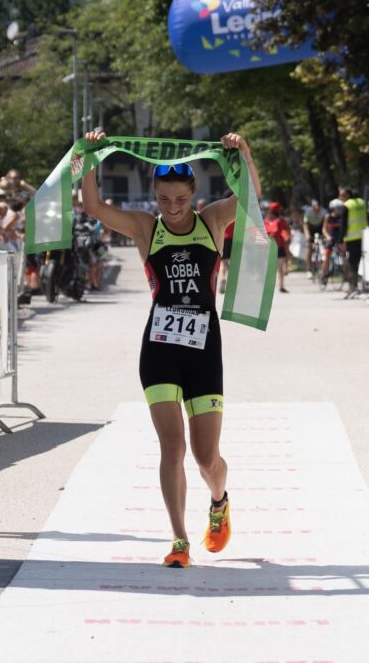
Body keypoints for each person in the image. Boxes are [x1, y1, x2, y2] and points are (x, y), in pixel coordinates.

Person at [80, 129, 260, 568]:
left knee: (205, 456)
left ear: (193, 195)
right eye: (164, 200)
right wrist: (89, 156)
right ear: (155, 197)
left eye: (179, 200)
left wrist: (245, 154)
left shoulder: (213, 220)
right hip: (159, 349)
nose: (173, 208)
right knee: (172, 446)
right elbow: (95, 207)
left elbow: (252, 199)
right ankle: (179, 540)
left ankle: (219, 498)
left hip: (204, 351)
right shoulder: (146, 227)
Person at [340, 186, 367, 297]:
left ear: (347, 195)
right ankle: (361, 285)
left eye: (342, 195)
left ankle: (353, 286)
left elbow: (344, 224)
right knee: (362, 261)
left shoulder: (347, 205)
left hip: (351, 238)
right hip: (364, 236)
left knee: (352, 263)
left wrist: (340, 240)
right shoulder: (362, 202)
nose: (340, 197)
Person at [264, 201, 292, 293]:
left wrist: (286, 237)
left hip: (277, 247)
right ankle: (275, 286)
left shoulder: (279, 221)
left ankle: (280, 286)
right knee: (274, 268)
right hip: (271, 248)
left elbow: (284, 232)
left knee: (278, 268)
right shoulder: (267, 221)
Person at [302, 199, 325, 279]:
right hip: (310, 228)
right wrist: (307, 235)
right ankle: (308, 270)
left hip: (320, 227)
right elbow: (305, 225)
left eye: (317, 208)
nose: (316, 209)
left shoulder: (323, 212)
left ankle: (323, 267)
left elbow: (326, 224)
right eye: (314, 208)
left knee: (323, 246)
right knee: (309, 247)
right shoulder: (308, 212)